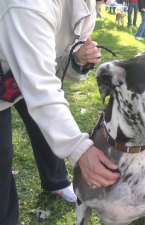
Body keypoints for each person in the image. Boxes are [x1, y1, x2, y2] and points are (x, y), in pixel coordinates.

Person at [0, 1, 120, 225]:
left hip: (26, 74)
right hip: (8, 72)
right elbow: (41, 85)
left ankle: (56, 182)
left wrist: (78, 59)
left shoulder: (87, 6)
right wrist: (79, 149)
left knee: (48, 128)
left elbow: (56, 65)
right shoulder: (29, 5)